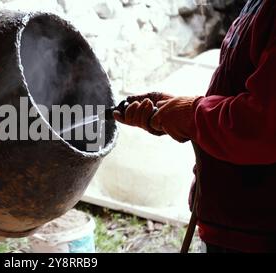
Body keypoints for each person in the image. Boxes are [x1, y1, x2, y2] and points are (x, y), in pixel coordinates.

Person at [113, 0, 276, 253]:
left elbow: (263, 126)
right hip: (231, 221)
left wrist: (190, 113)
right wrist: (172, 111)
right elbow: (239, 92)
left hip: (256, 234)